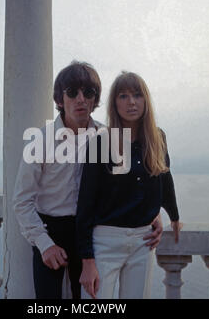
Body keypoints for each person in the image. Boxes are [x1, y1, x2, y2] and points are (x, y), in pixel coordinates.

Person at [13, 62, 163, 299]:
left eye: (88, 92)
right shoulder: (40, 141)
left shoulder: (109, 137)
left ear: (96, 99)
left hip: (91, 232)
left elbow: (132, 186)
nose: (81, 99)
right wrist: (45, 244)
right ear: (60, 99)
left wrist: (153, 215)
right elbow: (22, 200)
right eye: (72, 92)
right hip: (50, 229)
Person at [76, 71, 182, 299]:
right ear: (115, 103)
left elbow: (164, 179)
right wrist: (87, 261)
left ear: (145, 99)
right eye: (123, 96)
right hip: (105, 241)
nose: (131, 102)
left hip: (143, 242)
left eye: (137, 95)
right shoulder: (101, 142)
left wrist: (170, 215)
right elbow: (85, 202)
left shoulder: (157, 137)